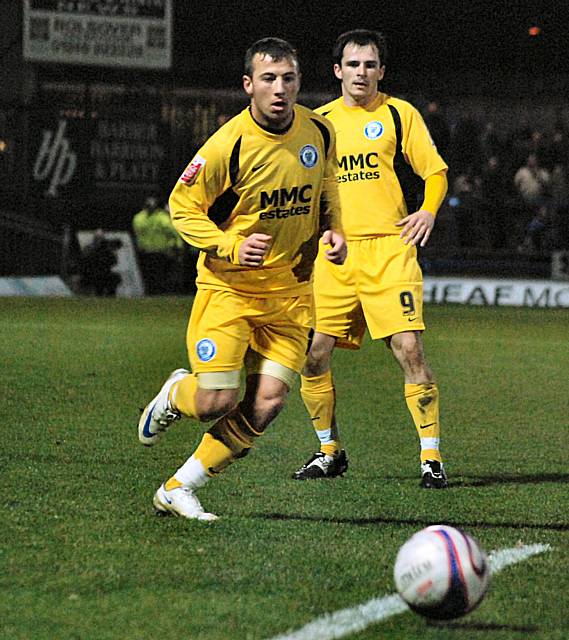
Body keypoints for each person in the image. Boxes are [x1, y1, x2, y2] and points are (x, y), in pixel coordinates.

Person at [137, 37, 346, 520]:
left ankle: (179, 486)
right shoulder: (227, 144)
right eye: (268, 79)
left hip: (290, 293)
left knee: (268, 402)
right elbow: (182, 207)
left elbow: (327, 186)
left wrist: (333, 229)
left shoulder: (319, 131)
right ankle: (175, 394)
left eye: (288, 78)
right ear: (249, 85)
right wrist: (230, 244)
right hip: (229, 290)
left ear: (299, 83)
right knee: (217, 400)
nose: (280, 89)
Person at [291, 29, 449, 488]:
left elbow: (434, 171)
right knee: (314, 356)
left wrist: (428, 209)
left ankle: (431, 457)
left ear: (382, 71)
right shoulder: (316, 123)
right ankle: (328, 452)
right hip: (334, 255)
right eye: (353, 65)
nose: (362, 73)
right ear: (338, 70)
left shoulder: (400, 114)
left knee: (410, 350)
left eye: (370, 65)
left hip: (388, 250)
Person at [132, 195, 183, 295]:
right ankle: (150, 292)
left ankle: (159, 292)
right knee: (148, 274)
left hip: (160, 251)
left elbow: (172, 232)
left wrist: (176, 245)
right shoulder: (139, 218)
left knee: (159, 273)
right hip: (145, 251)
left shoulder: (161, 218)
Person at [79, 228, 122, 296]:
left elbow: (113, 262)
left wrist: (113, 253)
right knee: (102, 280)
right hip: (92, 274)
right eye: (99, 238)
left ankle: (110, 297)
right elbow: (85, 262)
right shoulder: (89, 248)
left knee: (114, 278)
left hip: (103, 274)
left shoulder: (106, 249)